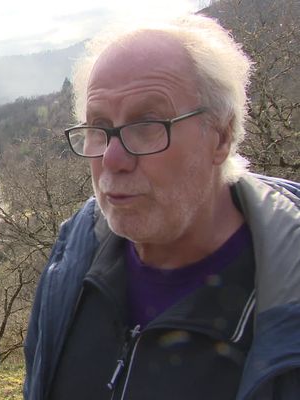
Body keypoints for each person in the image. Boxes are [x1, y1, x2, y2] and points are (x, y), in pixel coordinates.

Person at [23, 14, 300, 400]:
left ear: (219, 137)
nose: (113, 159)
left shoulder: (283, 299)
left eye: (148, 124)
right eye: (99, 126)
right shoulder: (72, 257)